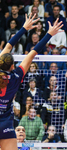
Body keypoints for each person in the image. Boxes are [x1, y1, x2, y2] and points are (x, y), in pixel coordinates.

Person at [0, 13, 63, 150]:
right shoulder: (16, 76)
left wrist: (23, 28)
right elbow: (33, 52)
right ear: (12, 66)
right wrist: (49, 34)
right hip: (5, 124)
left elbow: (8, 46)